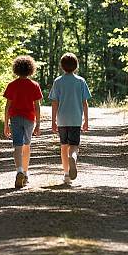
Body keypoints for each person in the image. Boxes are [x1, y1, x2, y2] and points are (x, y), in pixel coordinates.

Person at [49, 52, 91, 184]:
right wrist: (86, 120)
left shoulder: (58, 81)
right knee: (74, 146)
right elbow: (85, 103)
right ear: (76, 66)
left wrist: (53, 121)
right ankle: (73, 157)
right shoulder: (80, 81)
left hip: (62, 120)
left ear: (62, 66)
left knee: (63, 146)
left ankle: (66, 175)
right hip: (75, 119)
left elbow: (54, 102)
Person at [3, 55, 42, 188]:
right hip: (30, 118)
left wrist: (5, 124)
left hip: (15, 118)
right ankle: (25, 173)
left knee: (17, 146)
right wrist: (38, 124)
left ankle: (19, 170)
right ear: (31, 69)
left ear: (16, 69)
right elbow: (37, 106)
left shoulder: (12, 85)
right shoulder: (34, 85)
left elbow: (7, 106)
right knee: (27, 146)